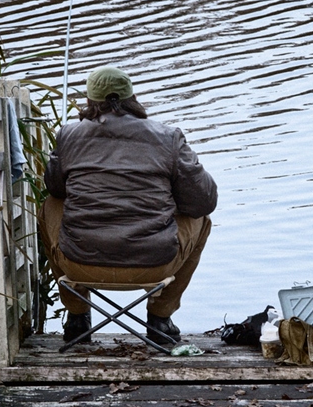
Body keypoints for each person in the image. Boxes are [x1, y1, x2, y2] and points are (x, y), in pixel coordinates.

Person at [40, 66, 217, 345]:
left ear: (89, 100)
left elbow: (55, 189)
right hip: (155, 265)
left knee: (49, 206)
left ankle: (77, 316)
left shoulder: (68, 135)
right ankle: (160, 318)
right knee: (203, 219)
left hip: (80, 264)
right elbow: (204, 200)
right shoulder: (168, 137)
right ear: (132, 97)